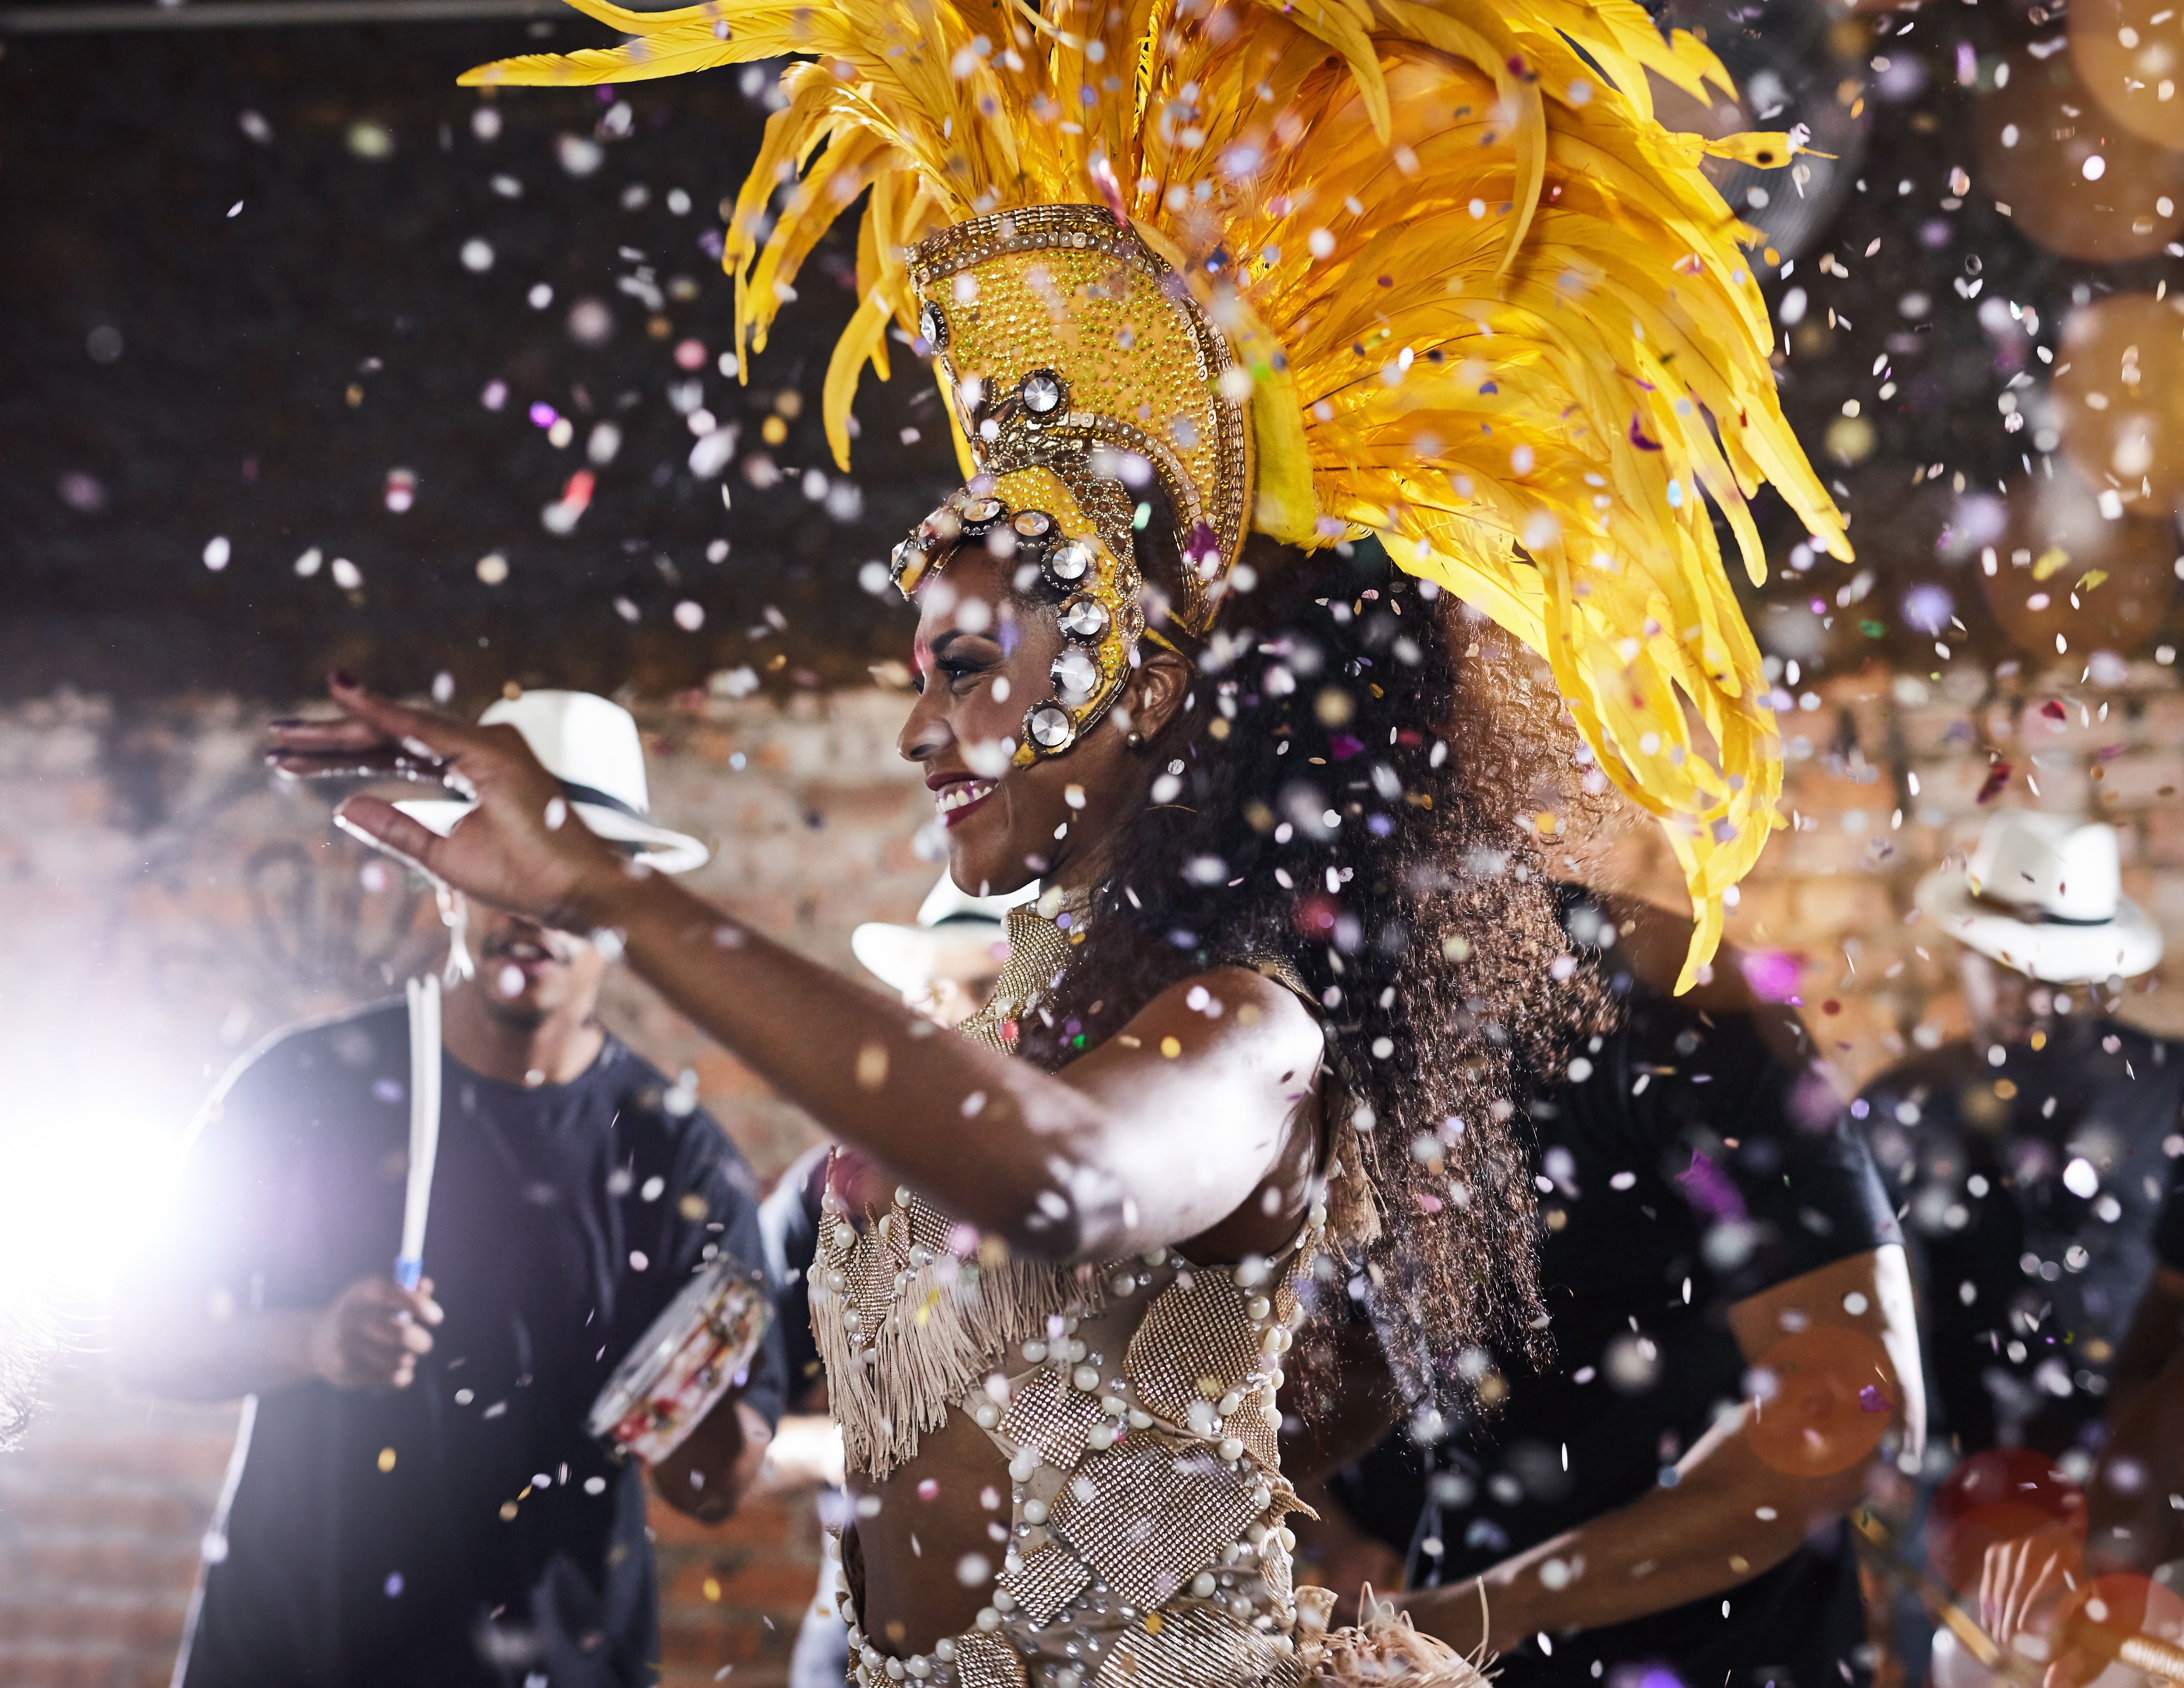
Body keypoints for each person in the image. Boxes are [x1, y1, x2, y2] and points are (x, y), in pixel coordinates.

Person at [272, 2, 1851, 1684]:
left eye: (966, 671)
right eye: (914, 676)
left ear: (1152, 688)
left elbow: (1067, 1179)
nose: (913, 729)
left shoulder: (1247, 1023)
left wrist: (606, 887)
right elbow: (1210, 1378)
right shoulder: (1034, 1029)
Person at [117, 690, 788, 1688]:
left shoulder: (677, 1158)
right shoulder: (301, 1086)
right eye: (503, 863)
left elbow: (713, 1486)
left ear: (625, 896)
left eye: (571, 873)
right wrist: (313, 1342)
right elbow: (145, 1337)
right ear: (445, 881)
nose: (533, 906)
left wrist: (678, 1392)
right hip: (294, 1655)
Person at [1300, 890, 1923, 1688]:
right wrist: (1326, 1523)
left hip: (1710, 1658)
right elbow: (1287, 1346)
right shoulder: (1277, 995)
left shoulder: (1675, 1000)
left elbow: (1858, 1410)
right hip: (1424, 1644)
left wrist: (1497, 1607)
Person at [768, 875, 1029, 1688]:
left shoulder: (1077, 1201)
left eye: (981, 989)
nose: (947, 1019)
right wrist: (880, 1446)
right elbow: (738, 1433)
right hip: (862, 1617)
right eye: (924, 995)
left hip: (1052, 1625)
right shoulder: (822, 1193)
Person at [1857, 810, 2175, 1463]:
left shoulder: (2173, 1089)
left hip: (2149, 1466)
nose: (2032, 999)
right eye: (2007, 970)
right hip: (1959, 1471)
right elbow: (1864, 1311)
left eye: (2063, 979)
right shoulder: (1897, 1105)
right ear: (1961, 954)